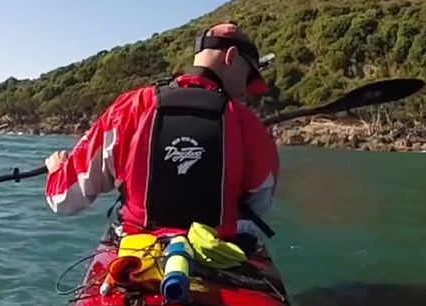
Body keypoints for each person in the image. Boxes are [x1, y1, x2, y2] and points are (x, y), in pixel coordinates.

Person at [43, 22, 279, 246]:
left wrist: (57, 171)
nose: (246, 91)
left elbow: (63, 199)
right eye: (248, 78)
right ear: (231, 57)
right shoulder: (248, 124)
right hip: (215, 254)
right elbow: (260, 203)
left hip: (140, 250)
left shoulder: (131, 107)